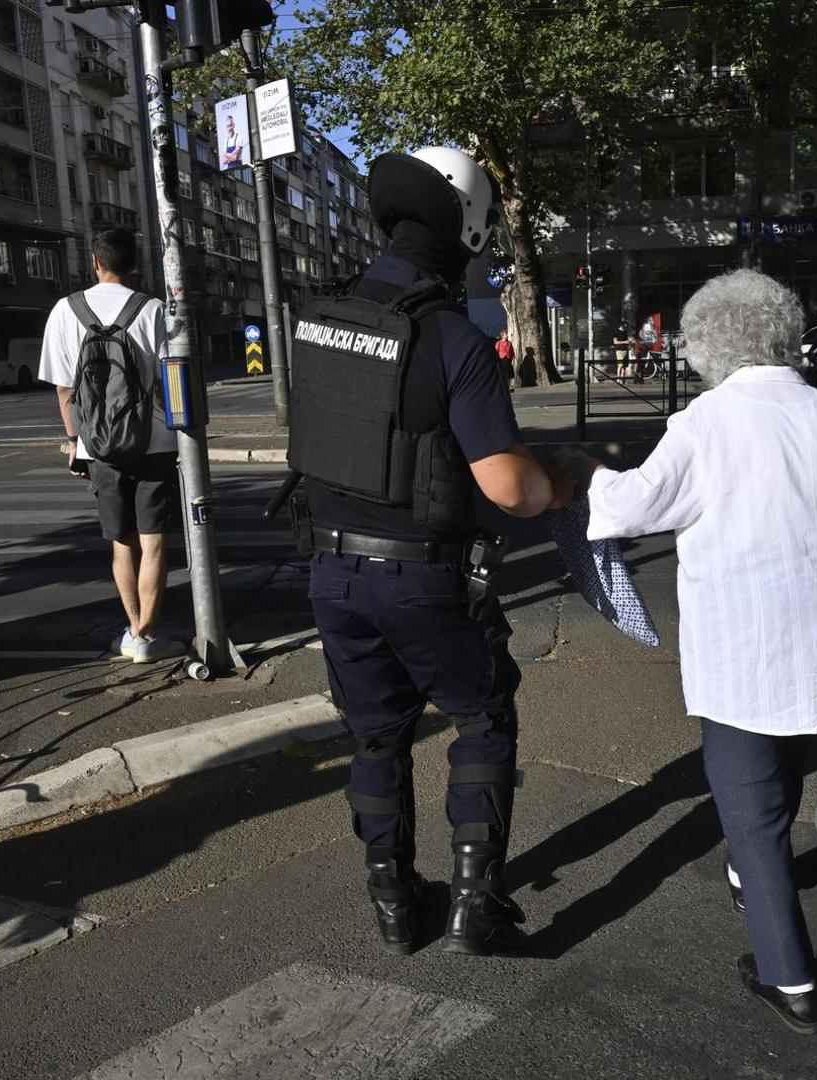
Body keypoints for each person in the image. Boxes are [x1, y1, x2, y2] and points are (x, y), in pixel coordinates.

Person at [552, 268, 817, 1035]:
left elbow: (634, 505)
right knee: (787, 754)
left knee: (750, 806)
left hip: (743, 644)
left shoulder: (707, 421)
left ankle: (792, 979)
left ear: (707, 342)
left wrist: (588, 471)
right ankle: (745, 874)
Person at [290, 146, 573, 958]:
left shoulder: (316, 319)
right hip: (424, 577)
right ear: (472, 230)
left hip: (330, 574)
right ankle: (475, 902)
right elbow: (510, 488)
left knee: (377, 736)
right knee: (482, 715)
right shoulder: (452, 338)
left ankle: (392, 902)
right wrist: (565, 478)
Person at [38, 227, 183, 665]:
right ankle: (147, 635)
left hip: (97, 444)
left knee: (122, 544)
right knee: (154, 542)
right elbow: (171, 381)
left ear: (95, 262)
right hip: (154, 440)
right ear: (134, 263)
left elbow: (65, 390)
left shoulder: (65, 310)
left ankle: (133, 627)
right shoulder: (154, 309)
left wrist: (73, 442)